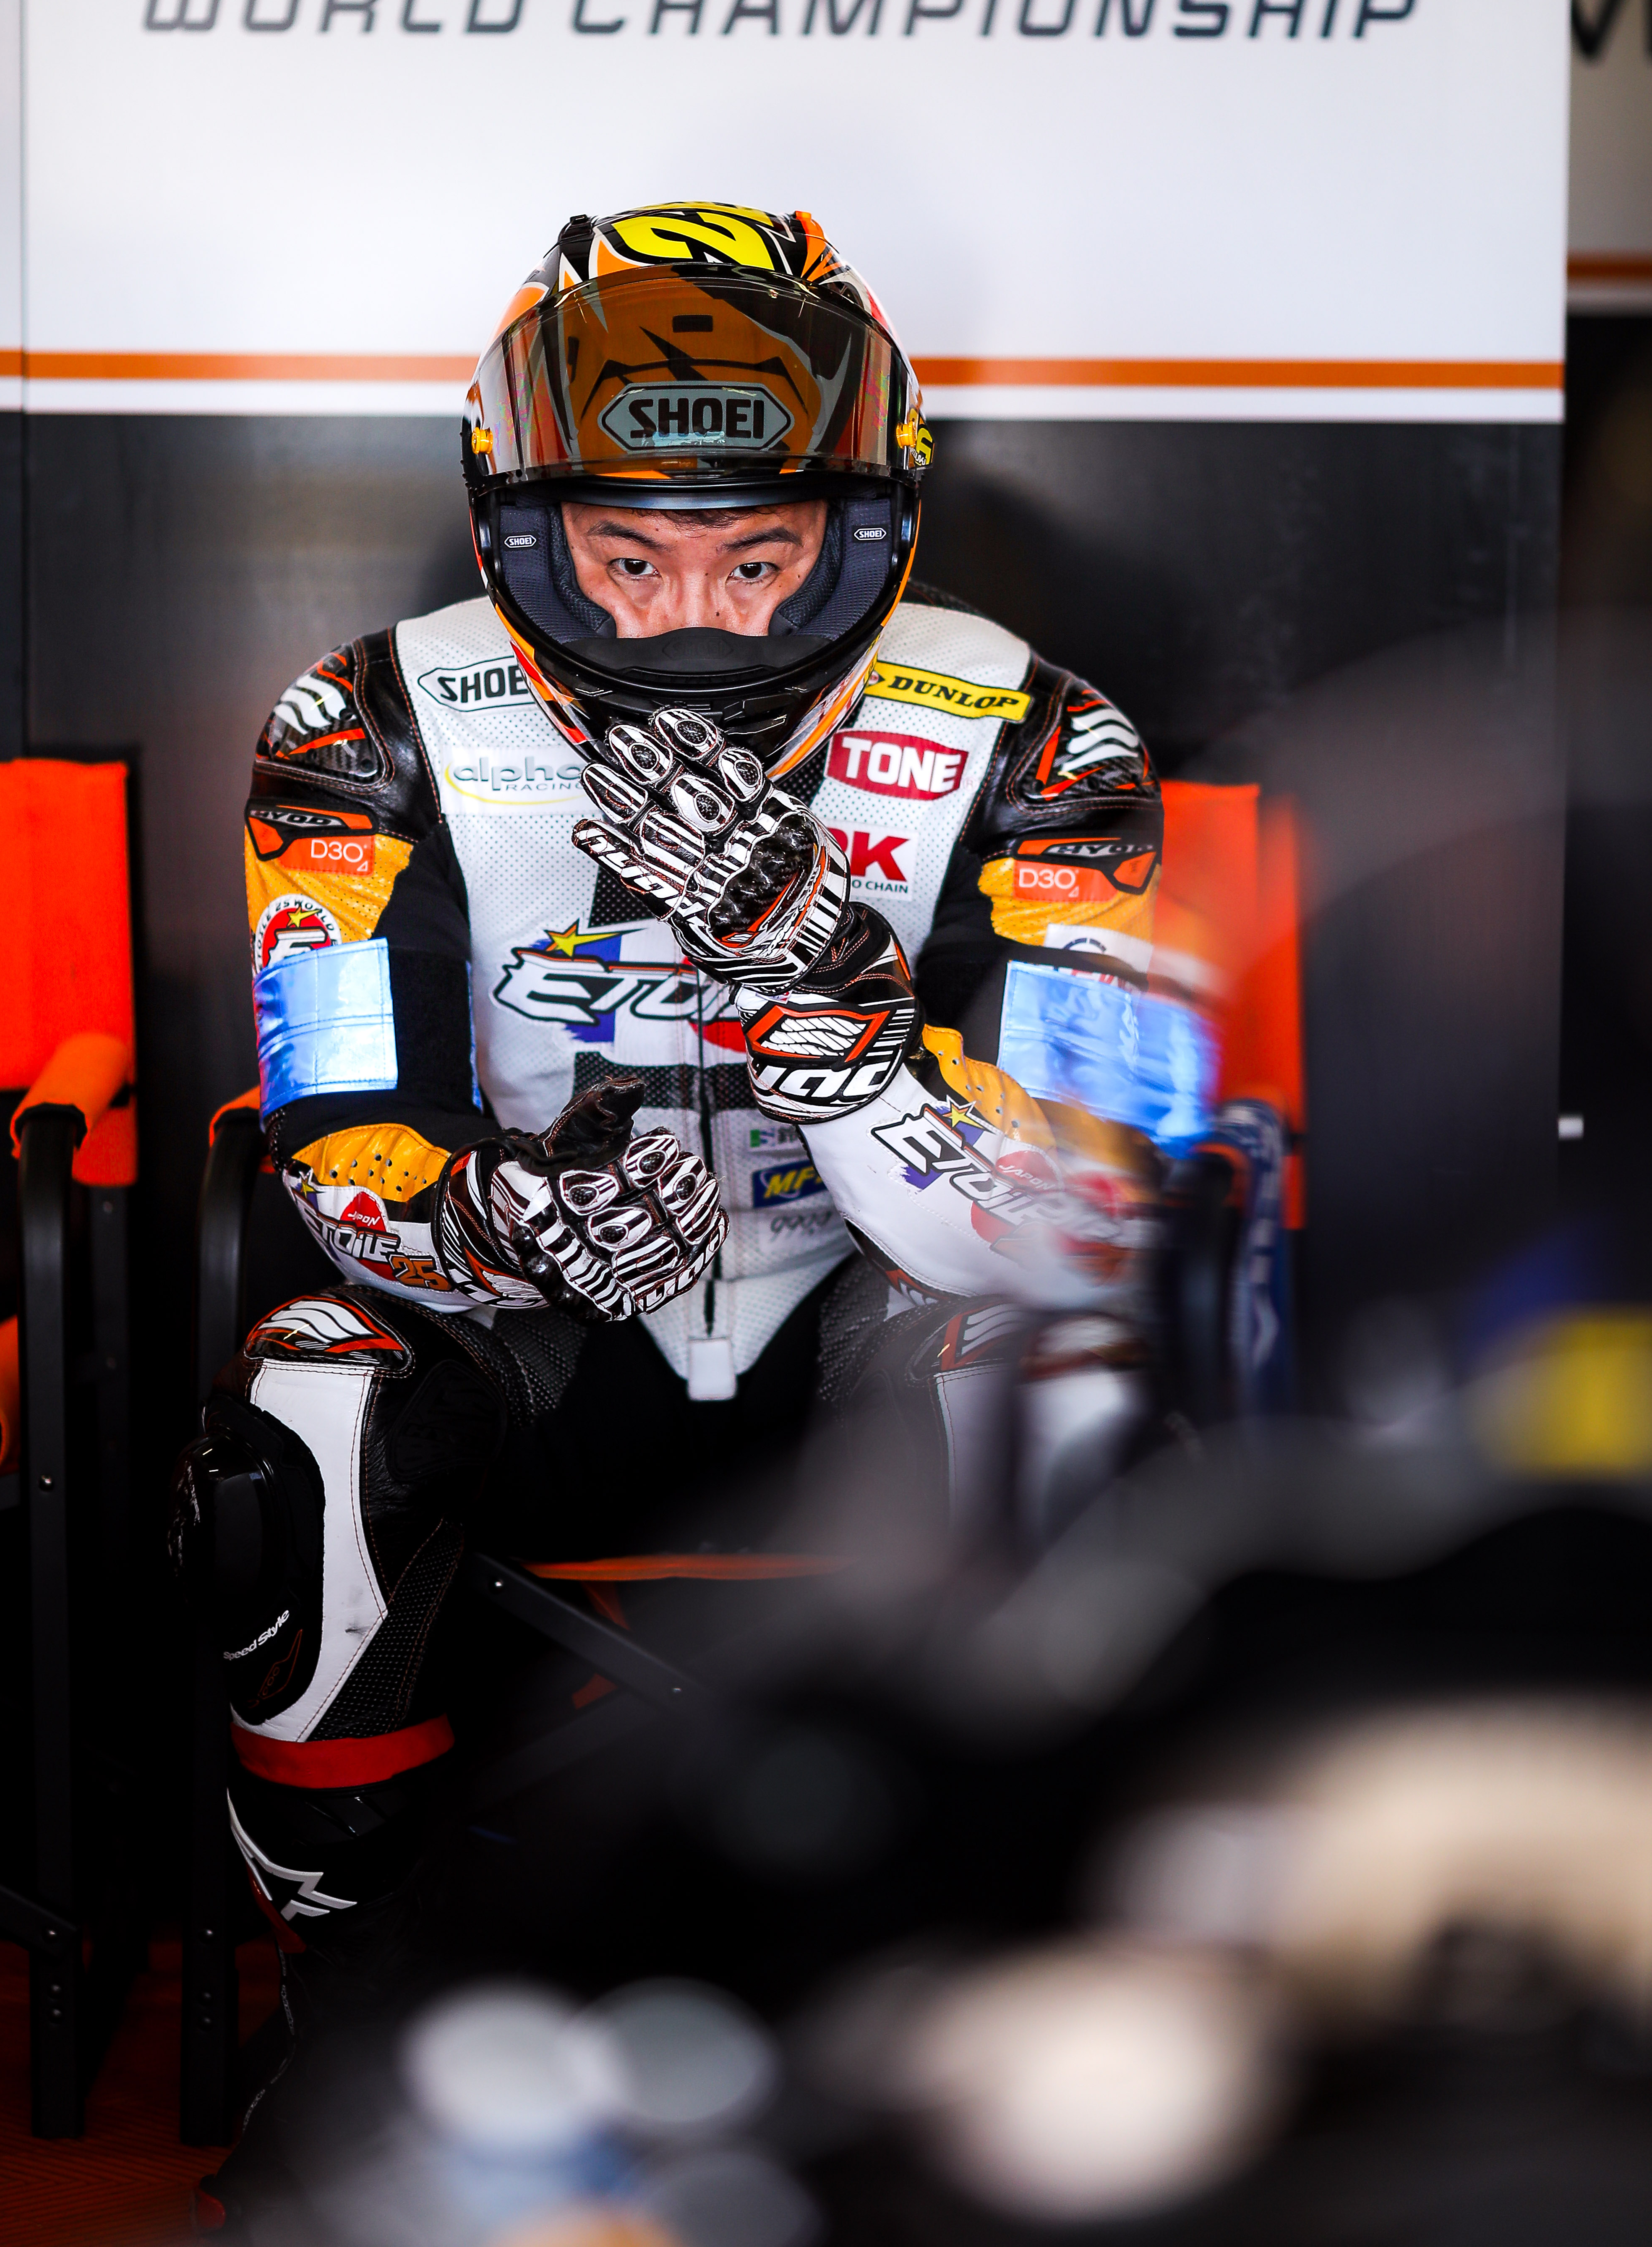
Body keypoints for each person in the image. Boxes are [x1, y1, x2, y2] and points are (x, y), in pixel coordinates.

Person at [174, 202, 1172, 2224]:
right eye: (629, 555)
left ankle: (982, 2016)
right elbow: (336, 1138)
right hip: (544, 1346)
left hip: (873, 1334)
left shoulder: (1047, 738)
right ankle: (357, 2014)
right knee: (313, 1399)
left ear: (864, 525)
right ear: (523, 528)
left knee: (1066, 1368)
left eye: (758, 551)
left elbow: (1083, 1213)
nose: (695, 610)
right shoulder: (360, 726)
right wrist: (511, 1219)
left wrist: (835, 1007)